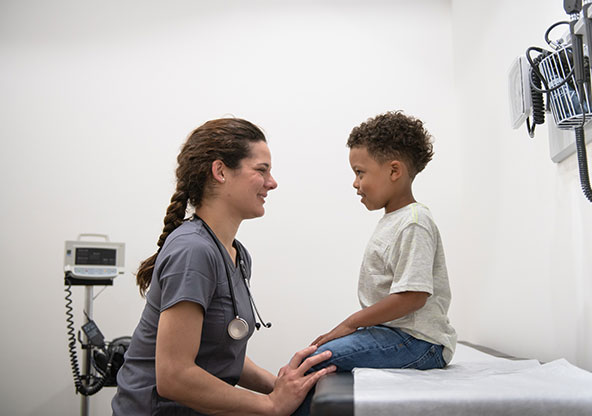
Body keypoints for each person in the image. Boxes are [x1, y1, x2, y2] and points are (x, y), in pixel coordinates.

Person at [112, 117, 336, 416]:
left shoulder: (235, 254)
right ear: (220, 171)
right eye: (261, 170)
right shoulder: (193, 251)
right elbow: (175, 377)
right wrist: (270, 405)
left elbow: (219, 352)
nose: (273, 182)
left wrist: (282, 387)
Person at [294, 111, 457, 415]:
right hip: (392, 334)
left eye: (360, 172)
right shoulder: (394, 220)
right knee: (311, 362)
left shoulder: (414, 222)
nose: (355, 183)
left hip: (418, 343)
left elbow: (414, 296)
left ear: (394, 170)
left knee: (314, 362)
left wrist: (349, 324)